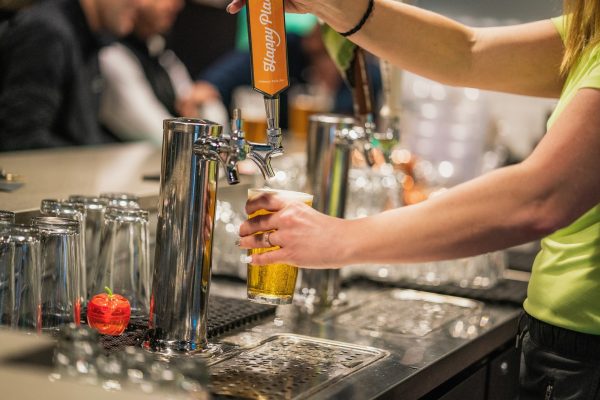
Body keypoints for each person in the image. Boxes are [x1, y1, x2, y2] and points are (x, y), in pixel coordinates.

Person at [230, 0, 600, 397]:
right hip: (561, 338)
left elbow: (541, 199)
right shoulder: (591, 28)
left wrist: (340, 238)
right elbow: (466, 53)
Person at [0, 0, 144, 151]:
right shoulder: (47, 32)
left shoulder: (88, 36)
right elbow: (19, 138)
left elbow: (84, 136)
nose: (141, 4)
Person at [99, 0, 229, 145]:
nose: (176, 5)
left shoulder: (163, 55)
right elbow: (156, 134)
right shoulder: (111, 56)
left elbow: (210, 109)